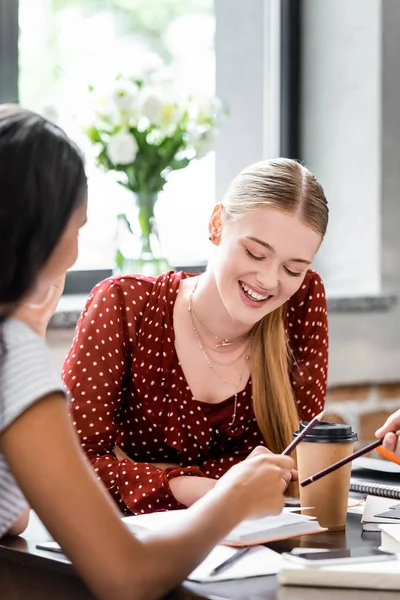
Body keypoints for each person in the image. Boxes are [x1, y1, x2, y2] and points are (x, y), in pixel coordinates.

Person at [0, 103, 295, 600]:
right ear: (39, 237)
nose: (76, 251)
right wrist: (232, 498)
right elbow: (127, 577)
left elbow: (14, 515)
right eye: (78, 229)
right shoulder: (14, 357)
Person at [64, 156, 329, 513]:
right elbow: (70, 466)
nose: (268, 281)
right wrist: (211, 490)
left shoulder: (302, 300)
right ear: (217, 225)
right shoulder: (124, 304)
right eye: (254, 253)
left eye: (291, 268)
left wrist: (141, 471)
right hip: (128, 547)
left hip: (253, 545)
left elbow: (295, 460)